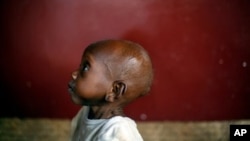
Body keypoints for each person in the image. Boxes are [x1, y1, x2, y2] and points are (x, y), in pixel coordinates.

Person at [68, 39, 153, 141]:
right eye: (80, 66)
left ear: (114, 90)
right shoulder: (86, 111)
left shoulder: (117, 133)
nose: (74, 74)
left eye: (85, 68)